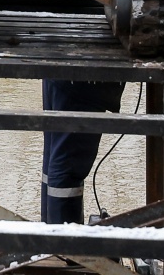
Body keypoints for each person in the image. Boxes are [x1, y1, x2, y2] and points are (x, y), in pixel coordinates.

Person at [41, 79, 125, 224]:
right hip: (80, 82)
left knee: (55, 162)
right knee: (68, 168)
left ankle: (51, 237)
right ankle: (65, 241)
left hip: (60, 75)